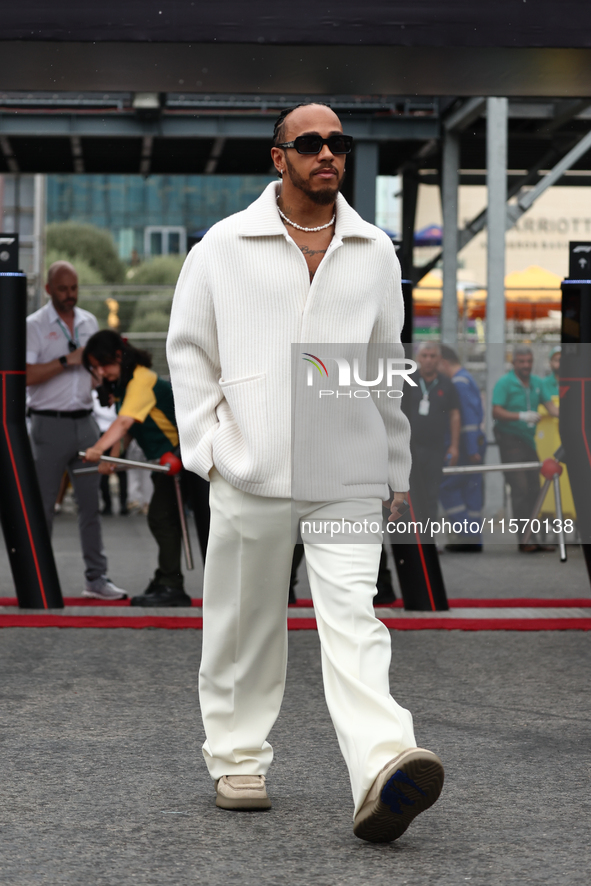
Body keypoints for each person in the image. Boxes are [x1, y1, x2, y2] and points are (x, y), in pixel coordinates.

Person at [167, 102, 444, 843]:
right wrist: (213, 448)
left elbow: (384, 364)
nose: (328, 154)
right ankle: (236, 759)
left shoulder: (374, 250)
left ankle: (384, 766)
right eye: (311, 143)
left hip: (345, 469)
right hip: (249, 468)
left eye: (338, 143)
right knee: (243, 623)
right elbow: (189, 352)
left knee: (356, 620)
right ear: (277, 157)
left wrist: (392, 469)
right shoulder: (223, 246)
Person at [81, 330, 208, 606]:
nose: (101, 372)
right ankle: (165, 578)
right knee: (164, 519)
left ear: (118, 356)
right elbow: (129, 430)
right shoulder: (124, 384)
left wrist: (98, 449)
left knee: (163, 519)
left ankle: (172, 585)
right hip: (168, 461)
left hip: (183, 456)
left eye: (104, 364)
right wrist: (112, 458)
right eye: (96, 367)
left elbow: (124, 422)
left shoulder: (141, 379)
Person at [26, 261, 127, 600]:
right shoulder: (34, 326)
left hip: (85, 423)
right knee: (43, 508)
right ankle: (37, 578)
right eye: (63, 289)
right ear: (48, 290)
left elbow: (96, 366)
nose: (70, 295)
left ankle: (96, 579)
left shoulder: (89, 322)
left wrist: (105, 384)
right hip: (47, 423)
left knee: (91, 507)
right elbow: (24, 375)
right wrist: (66, 361)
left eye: (74, 288)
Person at [492, 344, 556, 552]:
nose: (526, 365)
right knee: (520, 489)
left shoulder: (537, 383)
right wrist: (520, 416)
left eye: (529, 361)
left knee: (535, 490)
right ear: (514, 362)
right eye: (521, 362)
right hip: (510, 439)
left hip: (529, 441)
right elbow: (496, 411)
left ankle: (533, 537)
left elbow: (551, 407)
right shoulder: (505, 383)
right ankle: (525, 539)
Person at [401, 342, 461, 528]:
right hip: (410, 448)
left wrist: (454, 446)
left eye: (432, 356)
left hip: (435, 449)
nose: (428, 360)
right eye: (425, 356)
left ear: (439, 359)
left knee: (431, 495)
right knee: (408, 494)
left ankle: (429, 539)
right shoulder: (407, 380)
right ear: (418, 358)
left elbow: (454, 414)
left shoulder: (446, 384)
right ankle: (409, 538)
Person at [438, 345, 486, 551]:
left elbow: (465, 417)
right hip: (474, 443)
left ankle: (468, 534)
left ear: (444, 362)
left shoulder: (457, 383)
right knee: (471, 490)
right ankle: (473, 539)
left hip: (467, 446)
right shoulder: (466, 378)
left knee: (447, 487)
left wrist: (470, 447)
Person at [92, 389, 128, 516]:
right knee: (104, 471)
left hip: (117, 433)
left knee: (120, 470)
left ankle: (122, 503)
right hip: (103, 435)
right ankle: (110, 504)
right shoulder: (94, 394)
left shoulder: (120, 393)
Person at [540, 346, 561, 414]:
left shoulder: (575, 383)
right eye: (556, 360)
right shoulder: (543, 384)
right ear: (550, 363)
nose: (560, 363)